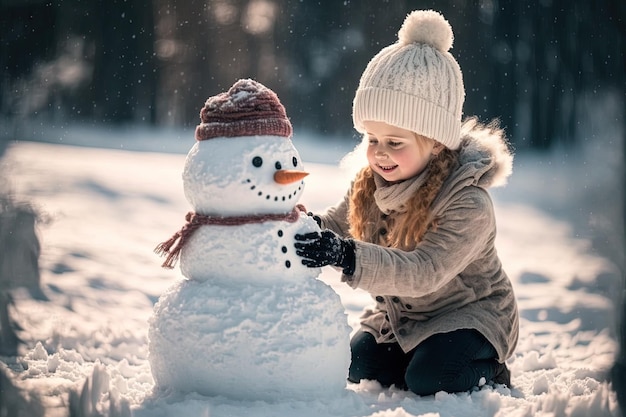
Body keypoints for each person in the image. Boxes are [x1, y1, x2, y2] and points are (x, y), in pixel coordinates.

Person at [294, 9, 519, 396]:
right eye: (372, 139)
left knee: (433, 379)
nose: (380, 153)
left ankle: (489, 368)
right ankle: (419, 351)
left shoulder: (467, 201)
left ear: (434, 142)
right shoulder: (372, 184)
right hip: (405, 317)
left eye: (394, 142)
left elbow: (424, 271)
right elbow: (337, 222)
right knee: (358, 366)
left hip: (472, 315)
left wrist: (347, 257)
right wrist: (302, 228)